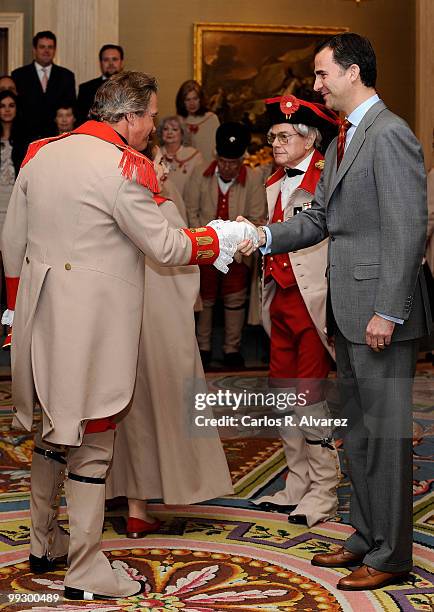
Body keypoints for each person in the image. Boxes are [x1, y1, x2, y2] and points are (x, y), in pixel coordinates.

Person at [1, 71, 254, 601]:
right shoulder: (123, 167)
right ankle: (85, 568)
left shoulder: (42, 153)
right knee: (93, 441)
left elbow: (11, 241)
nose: (150, 131)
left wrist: (13, 310)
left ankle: (44, 543)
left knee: (51, 431)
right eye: (148, 118)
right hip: (91, 325)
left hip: (38, 316)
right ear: (129, 117)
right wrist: (223, 237)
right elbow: (164, 246)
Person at [238, 33, 430, 591]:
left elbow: (407, 229)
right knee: (361, 434)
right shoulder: (346, 139)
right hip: (346, 313)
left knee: (386, 438)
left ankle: (391, 555)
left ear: (352, 73)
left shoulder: (390, 134)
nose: (317, 85)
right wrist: (260, 235)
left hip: (377, 317)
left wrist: (389, 312)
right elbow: (318, 218)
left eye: (323, 75)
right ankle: (367, 535)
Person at [106, 159, 233, 535]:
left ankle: (126, 500)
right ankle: (144, 504)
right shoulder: (163, 209)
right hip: (162, 328)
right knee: (163, 409)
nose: (164, 170)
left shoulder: (112, 209)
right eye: (159, 162)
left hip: (117, 326)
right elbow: (185, 265)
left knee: (125, 414)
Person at [251, 94, 341, 526]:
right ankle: (298, 481)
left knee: (308, 398)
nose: (276, 143)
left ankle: (325, 489)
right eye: (273, 136)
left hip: (314, 303)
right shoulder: (273, 181)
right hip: (281, 301)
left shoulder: (328, 178)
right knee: (283, 396)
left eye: (285, 136)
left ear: (310, 139)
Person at [185, 121, 266, 368]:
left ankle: (232, 349)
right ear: (216, 157)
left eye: (233, 163)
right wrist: (208, 241)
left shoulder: (252, 178)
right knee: (205, 298)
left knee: (234, 298)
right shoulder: (200, 173)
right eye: (223, 161)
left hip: (238, 253)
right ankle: (203, 348)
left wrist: (232, 245)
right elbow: (192, 211)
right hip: (206, 249)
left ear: (242, 160)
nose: (227, 167)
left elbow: (256, 216)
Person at [12, 31, 76, 140]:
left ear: (54, 50)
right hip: (26, 139)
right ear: (34, 50)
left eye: (50, 47)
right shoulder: (19, 75)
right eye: (42, 47)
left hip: (56, 139)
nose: (46, 51)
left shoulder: (66, 76)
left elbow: (71, 107)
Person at [77, 44, 124, 124]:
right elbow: (80, 120)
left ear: (122, 62)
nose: (110, 63)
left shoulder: (131, 88)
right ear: (100, 63)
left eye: (115, 59)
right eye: (106, 60)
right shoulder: (85, 89)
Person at [157, 115, 203, 197]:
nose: (169, 132)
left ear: (182, 133)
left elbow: (199, 186)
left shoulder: (194, 156)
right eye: (165, 129)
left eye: (174, 129)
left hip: (187, 205)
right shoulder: (154, 154)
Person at [176, 79, 220, 164]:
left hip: (209, 169)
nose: (192, 103)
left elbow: (219, 148)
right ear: (182, 102)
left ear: (201, 99)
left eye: (195, 98)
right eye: (187, 100)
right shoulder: (178, 121)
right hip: (187, 171)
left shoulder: (212, 119)